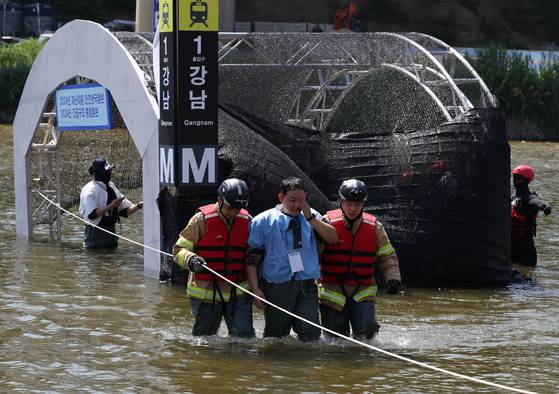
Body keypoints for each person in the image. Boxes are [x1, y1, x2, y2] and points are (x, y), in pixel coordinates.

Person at [245, 177, 338, 341]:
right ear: (281, 198)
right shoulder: (263, 221)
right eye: (292, 200)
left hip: (306, 283)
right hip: (277, 284)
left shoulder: (312, 216)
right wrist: (255, 290)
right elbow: (252, 259)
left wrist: (310, 218)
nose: (297, 205)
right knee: (276, 335)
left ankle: (306, 364)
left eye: (301, 200)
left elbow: (332, 238)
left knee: (310, 332)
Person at [318, 179, 401, 339]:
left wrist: (393, 278)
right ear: (340, 202)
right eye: (349, 204)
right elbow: (313, 253)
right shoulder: (326, 223)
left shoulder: (375, 227)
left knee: (367, 334)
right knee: (334, 340)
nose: (352, 208)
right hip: (332, 291)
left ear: (363, 204)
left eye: (357, 205)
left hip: (363, 290)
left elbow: (387, 256)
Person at [172, 178, 255, 338]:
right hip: (206, 291)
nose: (235, 212)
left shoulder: (247, 221)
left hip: (237, 290)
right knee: (205, 341)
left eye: (239, 208)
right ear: (219, 200)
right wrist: (191, 260)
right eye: (231, 208)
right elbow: (178, 250)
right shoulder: (200, 220)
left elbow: (253, 251)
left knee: (245, 339)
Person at [79, 157, 143, 249]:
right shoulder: (90, 190)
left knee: (111, 260)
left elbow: (125, 210)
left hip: (111, 232)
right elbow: (91, 214)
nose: (109, 173)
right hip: (95, 234)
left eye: (110, 171)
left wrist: (139, 205)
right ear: (100, 173)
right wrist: (111, 206)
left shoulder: (111, 186)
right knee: (95, 261)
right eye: (107, 171)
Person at [511, 165, 552, 267]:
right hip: (511, 246)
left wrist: (545, 207)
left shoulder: (529, 197)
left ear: (527, 180)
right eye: (515, 177)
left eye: (519, 178)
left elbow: (538, 202)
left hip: (525, 251)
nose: (516, 181)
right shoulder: (513, 197)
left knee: (526, 279)